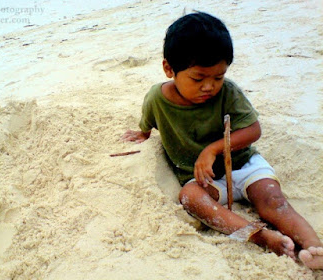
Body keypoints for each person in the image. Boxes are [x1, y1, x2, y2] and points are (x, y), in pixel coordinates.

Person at [122, 12, 323, 269]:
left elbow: (253, 130)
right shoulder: (157, 98)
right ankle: (259, 236)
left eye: (218, 77)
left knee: (275, 202)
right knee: (191, 198)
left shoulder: (228, 92)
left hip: (243, 165)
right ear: (169, 69)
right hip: (203, 178)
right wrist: (143, 132)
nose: (209, 86)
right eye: (198, 78)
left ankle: (314, 247)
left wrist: (213, 149)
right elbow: (148, 120)